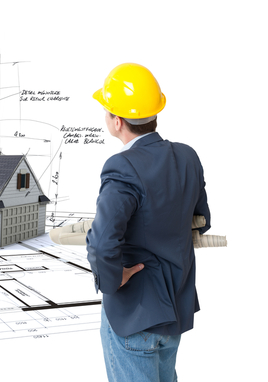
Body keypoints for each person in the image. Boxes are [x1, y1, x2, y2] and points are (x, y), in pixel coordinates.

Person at [86, 63, 210, 382]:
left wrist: (113, 280)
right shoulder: (187, 157)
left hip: (135, 318)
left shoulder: (122, 167)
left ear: (117, 121)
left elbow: (101, 244)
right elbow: (202, 220)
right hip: (173, 315)